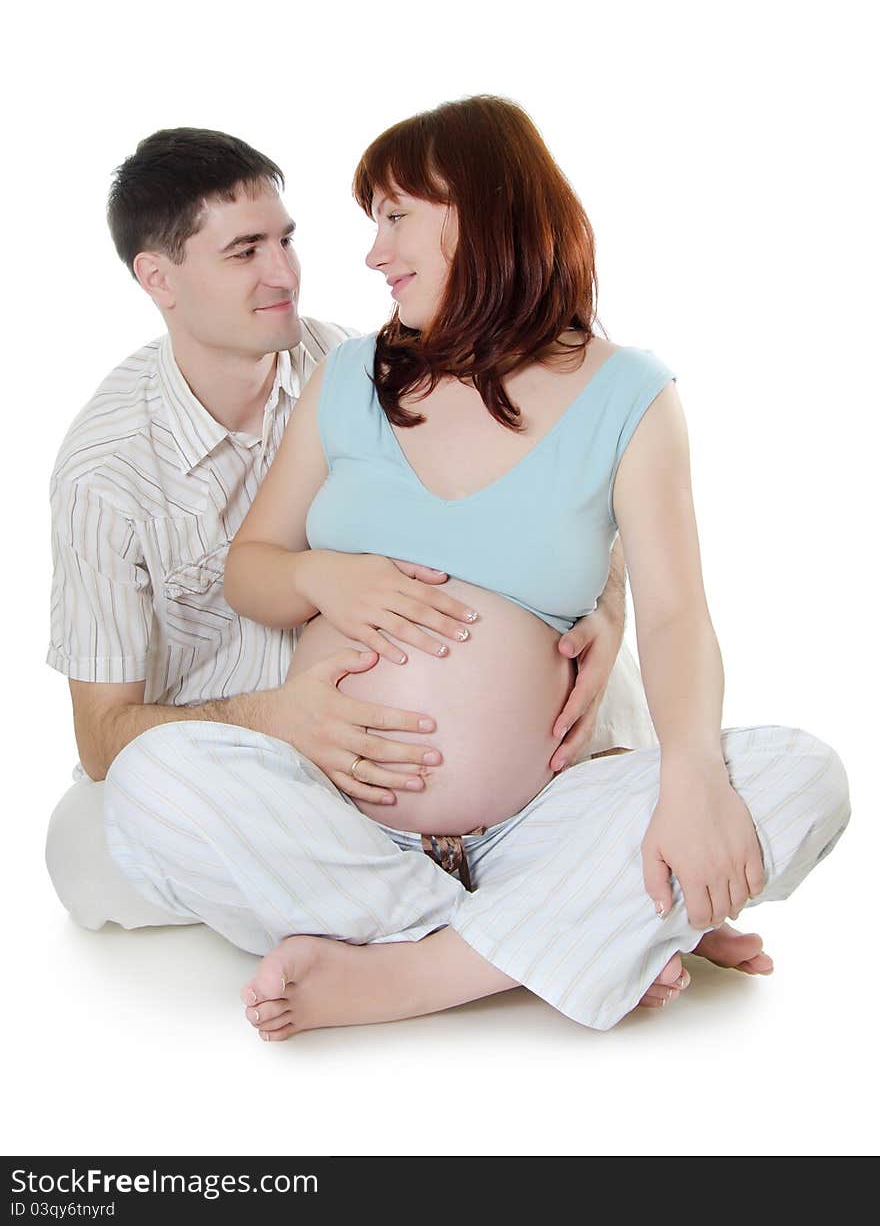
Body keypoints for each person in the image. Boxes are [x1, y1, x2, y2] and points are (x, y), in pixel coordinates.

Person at [102, 98, 850, 1038]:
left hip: (541, 820)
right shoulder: (353, 378)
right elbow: (250, 568)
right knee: (149, 782)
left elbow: (674, 615)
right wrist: (324, 579)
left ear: (482, 211)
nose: (372, 253)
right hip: (341, 821)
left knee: (806, 777)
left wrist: (692, 780)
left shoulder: (630, 397)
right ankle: (559, 940)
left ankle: (417, 974)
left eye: (394, 216)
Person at [45, 126, 649, 936]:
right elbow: (102, 736)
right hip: (272, 774)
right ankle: (521, 922)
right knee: (88, 845)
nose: (284, 272)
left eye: (286, 239)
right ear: (158, 277)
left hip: (468, 764)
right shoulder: (104, 473)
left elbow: (565, 488)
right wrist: (279, 717)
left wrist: (607, 607)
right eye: (245, 251)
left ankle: (452, 913)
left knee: (616, 679)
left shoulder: (365, 365)